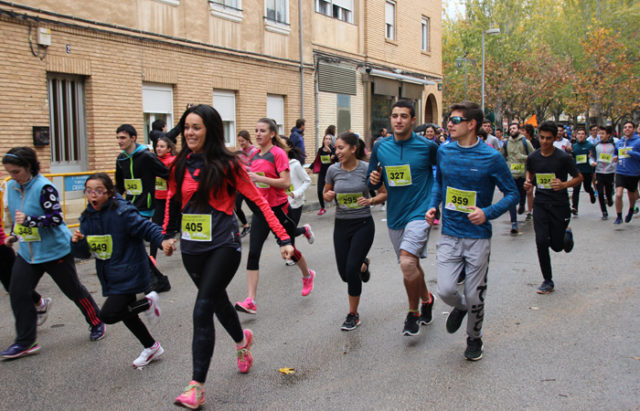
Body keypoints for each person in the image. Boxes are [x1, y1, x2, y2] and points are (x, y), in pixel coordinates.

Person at [161, 105, 294, 409]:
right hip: (192, 248)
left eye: (196, 127)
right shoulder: (178, 165)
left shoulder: (228, 165)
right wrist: (167, 234)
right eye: (187, 127)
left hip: (224, 245)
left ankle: (197, 386)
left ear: (210, 129)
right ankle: (242, 341)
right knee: (217, 302)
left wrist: (283, 237)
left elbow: (260, 202)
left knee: (202, 307)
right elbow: (171, 199)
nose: (190, 133)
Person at [426, 101, 518, 361]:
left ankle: (474, 339)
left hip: (477, 237)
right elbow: (439, 183)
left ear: (471, 124)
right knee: (445, 290)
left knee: (476, 294)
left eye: (454, 121)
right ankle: (462, 306)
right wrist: (434, 206)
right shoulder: (444, 151)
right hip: (450, 233)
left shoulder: (492, 157)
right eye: (449, 120)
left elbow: (512, 194)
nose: (448, 125)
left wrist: (486, 213)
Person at [1, 147, 104, 359]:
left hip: (55, 251)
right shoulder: (11, 187)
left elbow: (56, 218)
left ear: (29, 167)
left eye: (16, 172)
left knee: (73, 290)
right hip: (28, 254)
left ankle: (97, 321)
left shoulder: (44, 187)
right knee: (18, 292)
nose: (13, 177)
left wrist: (30, 221)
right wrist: (13, 235)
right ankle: (26, 342)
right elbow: (17, 216)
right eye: (9, 172)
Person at [71, 173, 173, 368]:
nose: (93, 195)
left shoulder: (123, 213)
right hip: (110, 274)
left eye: (99, 191)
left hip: (130, 271)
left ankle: (147, 303)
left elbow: (147, 228)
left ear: (109, 193)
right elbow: (84, 253)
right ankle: (151, 347)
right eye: (89, 191)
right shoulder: (87, 217)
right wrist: (77, 242)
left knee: (108, 315)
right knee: (126, 314)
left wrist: (163, 241)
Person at [367, 100, 438, 336]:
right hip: (395, 214)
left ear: (413, 120)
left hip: (420, 211)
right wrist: (374, 181)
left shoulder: (428, 147)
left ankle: (413, 312)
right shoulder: (381, 147)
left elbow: (442, 175)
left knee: (407, 262)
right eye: (395, 116)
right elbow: (370, 180)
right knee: (412, 264)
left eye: (404, 116)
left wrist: (435, 204)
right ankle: (427, 300)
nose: (398, 120)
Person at [235, 118, 315, 315]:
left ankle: (307, 274)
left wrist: (259, 178)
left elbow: (285, 182)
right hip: (262, 211)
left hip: (278, 209)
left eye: (263, 130)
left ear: (272, 134)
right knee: (253, 253)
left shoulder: (278, 154)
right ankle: (251, 300)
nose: (258, 134)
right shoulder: (253, 155)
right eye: (256, 130)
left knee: (289, 249)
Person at [324, 132, 387, 331]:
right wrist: (328, 195)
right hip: (341, 225)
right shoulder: (333, 170)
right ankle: (363, 266)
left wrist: (370, 200)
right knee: (345, 273)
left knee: (350, 271)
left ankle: (353, 314)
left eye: (341, 148)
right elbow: (326, 193)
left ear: (353, 149)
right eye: (336, 148)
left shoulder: (367, 169)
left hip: (363, 225)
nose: (337, 151)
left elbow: (384, 193)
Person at [524, 121, 583, 294]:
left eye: (548, 138)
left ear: (554, 137)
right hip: (541, 203)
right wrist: (528, 183)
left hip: (559, 205)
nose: (544, 141)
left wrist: (564, 184)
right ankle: (547, 280)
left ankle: (567, 234)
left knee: (557, 246)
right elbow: (531, 173)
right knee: (541, 241)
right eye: (541, 137)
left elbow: (579, 177)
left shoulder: (563, 158)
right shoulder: (533, 157)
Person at [115, 124, 171, 293]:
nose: (119, 141)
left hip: (146, 205)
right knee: (133, 244)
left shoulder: (146, 156)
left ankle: (152, 279)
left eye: (123, 137)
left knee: (132, 242)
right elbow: (120, 186)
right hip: (129, 206)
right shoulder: (121, 159)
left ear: (133, 138)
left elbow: (166, 173)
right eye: (117, 138)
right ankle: (157, 279)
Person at [502, 122, 534, 234]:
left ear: (519, 130)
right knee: (510, 198)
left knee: (522, 193)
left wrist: (522, 157)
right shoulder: (506, 143)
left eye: (514, 128)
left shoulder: (526, 142)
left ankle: (522, 204)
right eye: (510, 128)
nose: (511, 130)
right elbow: (502, 156)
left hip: (523, 174)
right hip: (511, 175)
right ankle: (514, 222)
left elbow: (533, 156)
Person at [151, 136, 178, 260]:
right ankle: (152, 258)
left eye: (162, 146)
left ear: (168, 149)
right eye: (157, 146)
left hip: (171, 199)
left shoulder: (172, 160)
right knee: (155, 227)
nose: (158, 149)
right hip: (158, 198)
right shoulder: (153, 160)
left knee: (173, 228)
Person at [284, 138, 314, 251]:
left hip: (295, 202)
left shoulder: (295, 164)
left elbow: (307, 181)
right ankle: (305, 229)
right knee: (286, 230)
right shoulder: (276, 164)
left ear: (288, 148)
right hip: (282, 202)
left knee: (289, 231)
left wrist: (296, 193)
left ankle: (291, 255)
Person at [613, 120, 640, 224]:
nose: (627, 129)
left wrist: (630, 152)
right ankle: (619, 216)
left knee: (631, 194)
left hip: (633, 172)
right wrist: (615, 157)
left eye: (629, 127)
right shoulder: (620, 142)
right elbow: (615, 153)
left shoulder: (638, 141)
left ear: (633, 129)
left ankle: (630, 210)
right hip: (620, 171)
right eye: (625, 127)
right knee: (619, 194)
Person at [236, 130, 260, 238]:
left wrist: (242, 167)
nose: (241, 143)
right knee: (236, 205)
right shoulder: (240, 151)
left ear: (248, 139)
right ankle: (246, 225)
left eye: (243, 141)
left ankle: (263, 224)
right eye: (239, 141)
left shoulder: (254, 151)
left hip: (250, 184)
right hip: (241, 184)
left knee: (255, 208)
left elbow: (256, 169)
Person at [570, 128, 596, 215]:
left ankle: (591, 193)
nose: (580, 135)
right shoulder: (574, 146)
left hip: (587, 170)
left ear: (585, 136)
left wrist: (592, 165)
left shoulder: (590, 145)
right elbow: (572, 157)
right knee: (576, 189)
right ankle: (575, 207)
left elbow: (593, 157)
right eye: (579, 134)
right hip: (577, 171)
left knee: (587, 187)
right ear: (576, 136)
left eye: (582, 134)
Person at [312, 131, 337, 216]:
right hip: (322, 173)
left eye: (329, 139)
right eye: (326, 139)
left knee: (334, 191)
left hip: (331, 174)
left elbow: (336, 159)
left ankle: (338, 206)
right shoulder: (320, 150)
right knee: (319, 191)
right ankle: (322, 208)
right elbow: (317, 160)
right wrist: (310, 168)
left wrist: (331, 154)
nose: (328, 140)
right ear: (323, 140)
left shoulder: (334, 149)